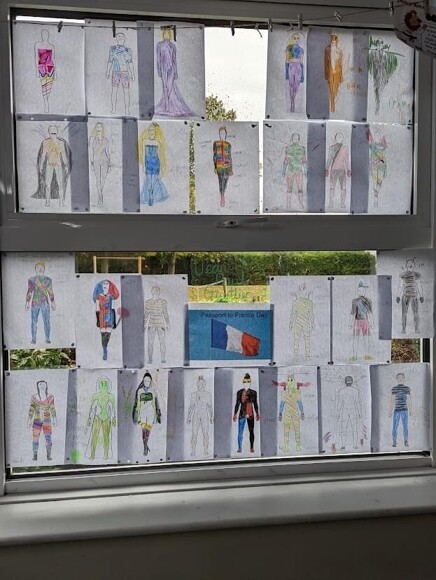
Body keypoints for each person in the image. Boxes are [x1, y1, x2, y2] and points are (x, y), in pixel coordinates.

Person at [155, 26, 196, 117]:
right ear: (163, 35)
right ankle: (166, 106)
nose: (166, 35)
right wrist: (159, 70)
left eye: (168, 34)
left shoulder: (173, 46)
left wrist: (176, 72)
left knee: (170, 87)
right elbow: (158, 58)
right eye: (165, 33)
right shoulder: (159, 45)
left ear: (170, 35)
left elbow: (174, 59)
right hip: (163, 68)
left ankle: (168, 106)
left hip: (171, 69)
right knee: (165, 87)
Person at [32, 125, 72, 208]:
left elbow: (63, 155)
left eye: (54, 132)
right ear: (49, 133)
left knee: (60, 184)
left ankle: (61, 202)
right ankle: (47, 202)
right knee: (48, 184)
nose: (53, 134)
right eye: (51, 132)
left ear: (56, 132)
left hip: (58, 165)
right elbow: (43, 154)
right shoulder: (45, 142)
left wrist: (66, 165)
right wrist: (41, 165)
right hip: (49, 165)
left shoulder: (61, 143)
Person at [274, 374, 310, 453]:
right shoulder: (287, 393)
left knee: (294, 430)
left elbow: (299, 403)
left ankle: (295, 446)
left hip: (292, 414)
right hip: (290, 414)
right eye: (289, 380)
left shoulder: (294, 392)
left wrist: (302, 413)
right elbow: (283, 404)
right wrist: (280, 413)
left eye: (291, 380)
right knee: (289, 431)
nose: (290, 382)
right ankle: (289, 446)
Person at [138, 123, 169, 206]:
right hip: (148, 164)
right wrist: (144, 166)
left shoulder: (157, 142)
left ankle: (151, 196)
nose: (151, 132)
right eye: (149, 130)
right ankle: (150, 195)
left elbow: (159, 156)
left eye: (152, 130)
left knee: (154, 182)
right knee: (148, 181)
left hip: (156, 164)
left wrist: (160, 168)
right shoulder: (145, 141)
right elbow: (144, 154)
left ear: (155, 132)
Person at [86, 376, 116, 461]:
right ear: (99, 386)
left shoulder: (111, 397)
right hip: (97, 418)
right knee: (94, 437)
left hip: (106, 418)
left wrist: (114, 418)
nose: (103, 386)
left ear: (108, 386)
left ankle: (106, 455)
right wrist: (89, 418)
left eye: (105, 384)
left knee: (106, 437)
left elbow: (113, 408)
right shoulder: (96, 396)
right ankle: (92, 455)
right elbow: (92, 408)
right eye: (102, 384)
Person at [132, 371, 162, 456]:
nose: (146, 382)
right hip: (142, 412)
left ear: (150, 381)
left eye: (148, 381)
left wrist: (158, 413)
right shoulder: (139, 391)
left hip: (150, 413)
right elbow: (138, 403)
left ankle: (145, 445)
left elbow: (156, 403)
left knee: (148, 430)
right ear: (143, 381)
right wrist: (136, 412)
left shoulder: (153, 392)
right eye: (145, 381)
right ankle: (145, 446)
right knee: (143, 430)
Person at [25, 261, 56, 344]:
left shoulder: (48, 280)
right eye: (38, 267)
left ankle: (47, 338)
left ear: (44, 269)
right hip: (35, 302)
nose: (40, 269)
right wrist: (27, 302)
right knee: (34, 321)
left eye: (41, 267)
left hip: (45, 302)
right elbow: (30, 291)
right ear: (35, 269)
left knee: (47, 321)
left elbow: (50, 291)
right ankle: (33, 338)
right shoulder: (32, 280)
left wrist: (53, 302)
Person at [106, 32, 134, 115]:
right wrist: (108, 71)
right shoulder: (112, 49)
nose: (120, 37)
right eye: (118, 36)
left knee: (126, 91)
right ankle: (113, 109)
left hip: (125, 72)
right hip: (115, 72)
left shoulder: (128, 50)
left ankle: (127, 110)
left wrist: (132, 74)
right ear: (116, 38)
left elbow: (130, 62)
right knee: (114, 91)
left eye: (122, 36)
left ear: (125, 39)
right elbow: (110, 61)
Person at [28, 380, 57, 461]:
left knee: (48, 437)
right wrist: (29, 420)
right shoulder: (34, 397)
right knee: (35, 437)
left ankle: (48, 455)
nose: (42, 386)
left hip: (47, 420)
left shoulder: (50, 397)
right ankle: (35, 455)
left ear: (46, 386)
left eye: (44, 384)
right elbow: (31, 409)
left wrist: (54, 419)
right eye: (40, 384)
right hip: (37, 420)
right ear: (38, 386)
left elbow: (52, 408)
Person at [93, 279, 120, 361]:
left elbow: (113, 309)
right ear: (101, 285)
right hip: (101, 316)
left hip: (110, 316)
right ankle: (104, 350)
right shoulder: (98, 296)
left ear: (109, 286)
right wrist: (98, 320)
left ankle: (105, 349)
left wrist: (114, 322)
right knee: (103, 334)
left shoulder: (111, 297)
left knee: (108, 334)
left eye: (107, 283)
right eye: (104, 283)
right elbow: (97, 309)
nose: (105, 285)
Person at [233, 373, 260, 453]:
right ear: (243, 382)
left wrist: (257, 413)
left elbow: (255, 404)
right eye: (245, 382)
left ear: (250, 382)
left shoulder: (254, 392)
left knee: (251, 431)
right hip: (242, 413)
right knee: (240, 432)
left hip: (250, 413)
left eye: (248, 382)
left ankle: (251, 447)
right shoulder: (239, 392)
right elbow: (237, 404)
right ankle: (239, 447)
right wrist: (235, 414)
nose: (246, 383)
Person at [187, 375, 213, 457]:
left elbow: (210, 407)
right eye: (199, 384)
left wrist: (211, 416)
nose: (200, 385)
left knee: (205, 433)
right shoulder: (193, 395)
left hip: (204, 415)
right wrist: (189, 417)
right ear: (197, 384)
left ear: (204, 384)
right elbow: (191, 407)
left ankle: (205, 450)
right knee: (194, 433)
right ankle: (193, 450)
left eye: (202, 384)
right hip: (196, 415)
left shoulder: (208, 394)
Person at [396, 258, 424, 334]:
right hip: (405, 296)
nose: (410, 267)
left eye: (411, 265)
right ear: (406, 266)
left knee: (416, 313)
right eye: (408, 266)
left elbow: (419, 285)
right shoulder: (403, 276)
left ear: (414, 266)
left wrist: (421, 296)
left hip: (414, 296)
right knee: (404, 313)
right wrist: (398, 296)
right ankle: (403, 329)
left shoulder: (416, 275)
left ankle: (417, 329)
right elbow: (400, 286)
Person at [335, 375, 362, 451]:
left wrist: (338, 413)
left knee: (348, 428)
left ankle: (348, 445)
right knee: (351, 428)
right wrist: (359, 412)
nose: (349, 382)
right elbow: (357, 403)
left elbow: (340, 403)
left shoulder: (343, 391)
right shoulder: (354, 391)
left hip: (348, 410)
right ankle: (350, 445)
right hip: (349, 410)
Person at [143, 286, 170, 364]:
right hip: (152, 324)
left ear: (159, 293)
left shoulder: (163, 302)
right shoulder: (148, 302)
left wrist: (167, 323)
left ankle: (162, 358)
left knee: (162, 342)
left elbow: (165, 313)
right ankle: (150, 359)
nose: (155, 294)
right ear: (152, 293)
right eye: (154, 292)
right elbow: (146, 314)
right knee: (150, 342)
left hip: (160, 324)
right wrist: (144, 324)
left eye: (157, 292)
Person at [349, 281, 374, 361]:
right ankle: (354, 355)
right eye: (359, 290)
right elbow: (353, 313)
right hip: (357, 321)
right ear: (357, 291)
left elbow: (370, 313)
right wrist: (350, 323)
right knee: (356, 338)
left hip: (365, 321)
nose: (361, 292)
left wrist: (372, 322)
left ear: (365, 291)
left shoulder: (368, 301)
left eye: (363, 290)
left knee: (366, 338)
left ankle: (367, 355)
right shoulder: (354, 301)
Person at [325, 132, 351, 209]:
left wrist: (348, 169)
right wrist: (326, 169)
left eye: (341, 137)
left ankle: (342, 203)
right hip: (333, 170)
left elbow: (347, 160)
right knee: (332, 187)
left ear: (342, 139)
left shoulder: (345, 148)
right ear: (335, 139)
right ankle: (331, 203)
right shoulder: (331, 148)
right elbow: (329, 159)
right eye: (338, 137)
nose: (339, 138)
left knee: (343, 187)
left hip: (342, 170)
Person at [289, 283, 314, 362]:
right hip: (300, 322)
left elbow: (311, 314)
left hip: (302, 322)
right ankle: (299, 356)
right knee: (301, 339)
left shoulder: (300, 302)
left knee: (302, 339)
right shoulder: (306, 302)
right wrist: (291, 323)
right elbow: (293, 314)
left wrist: (291, 323)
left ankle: (305, 356)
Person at [282, 133, 307, 210]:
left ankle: (300, 203)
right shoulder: (288, 148)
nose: (295, 139)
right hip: (291, 170)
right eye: (294, 138)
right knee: (289, 188)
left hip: (299, 171)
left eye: (296, 138)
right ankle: (288, 204)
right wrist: (284, 170)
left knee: (300, 188)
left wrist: (305, 171)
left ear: (299, 139)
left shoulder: (302, 148)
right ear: (291, 139)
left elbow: (304, 161)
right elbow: (286, 160)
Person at [89, 122, 111, 206]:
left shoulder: (106, 141)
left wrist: (109, 164)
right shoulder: (92, 140)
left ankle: (100, 193)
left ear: (102, 129)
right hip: (96, 161)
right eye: (97, 127)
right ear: (95, 129)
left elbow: (107, 152)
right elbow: (91, 152)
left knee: (103, 180)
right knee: (98, 179)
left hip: (105, 161)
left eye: (100, 127)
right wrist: (91, 163)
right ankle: (100, 198)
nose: (99, 128)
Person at [389, 372, 413, 447]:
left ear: (404, 379)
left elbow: (409, 400)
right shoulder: (394, 389)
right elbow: (392, 401)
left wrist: (411, 410)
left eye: (402, 377)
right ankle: (394, 441)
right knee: (394, 427)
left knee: (405, 426)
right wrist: (390, 411)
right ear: (396, 379)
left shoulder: (407, 388)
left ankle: (406, 441)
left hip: (405, 410)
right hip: (396, 410)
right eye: (399, 378)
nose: (400, 379)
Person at [34, 29, 55, 113]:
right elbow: (36, 58)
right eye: (43, 34)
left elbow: (53, 59)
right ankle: (45, 102)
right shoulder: (37, 44)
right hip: (41, 68)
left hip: (50, 68)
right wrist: (36, 69)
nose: (45, 36)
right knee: (43, 85)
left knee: (49, 86)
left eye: (46, 35)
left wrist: (56, 72)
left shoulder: (51, 46)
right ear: (42, 35)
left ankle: (47, 100)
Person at [213, 126, 233, 208]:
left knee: (225, 182)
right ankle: (222, 197)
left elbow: (230, 156)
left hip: (227, 166)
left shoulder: (228, 144)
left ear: (226, 134)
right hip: (219, 166)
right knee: (220, 182)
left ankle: (223, 194)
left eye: (223, 133)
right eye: (221, 133)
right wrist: (215, 167)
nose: (222, 134)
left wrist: (231, 169)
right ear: (219, 134)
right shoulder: (216, 143)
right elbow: (214, 156)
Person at [285, 32, 304, 113]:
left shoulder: (301, 50)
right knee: (291, 85)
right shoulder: (289, 48)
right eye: (294, 38)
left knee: (296, 86)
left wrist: (303, 75)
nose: (296, 40)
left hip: (298, 68)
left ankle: (293, 100)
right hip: (291, 67)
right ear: (292, 39)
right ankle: (292, 103)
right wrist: (286, 73)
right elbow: (287, 60)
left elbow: (301, 62)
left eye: (297, 38)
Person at [368, 128, 388, 208]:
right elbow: (370, 157)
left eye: (378, 136)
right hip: (374, 166)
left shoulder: (383, 147)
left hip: (381, 166)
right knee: (374, 182)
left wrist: (385, 169)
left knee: (380, 182)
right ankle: (375, 198)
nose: (377, 137)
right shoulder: (372, 146)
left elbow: (384, 158)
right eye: (376, 135)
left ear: (380, 137)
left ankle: (376, 193)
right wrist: (370, 165)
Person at [324, 33, 343, 113]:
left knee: (336, 88)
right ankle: (332, 104)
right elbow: (325, 62)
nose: (333, 42)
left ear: (336, 41)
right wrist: (326, 73)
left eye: (334, 40)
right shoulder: (327, 50)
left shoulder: (339, 51)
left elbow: (341, 64)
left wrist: (341, 75)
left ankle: (333, 101)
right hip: (330, 71)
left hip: (337, 72)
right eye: (332, 40)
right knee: (331, 88)